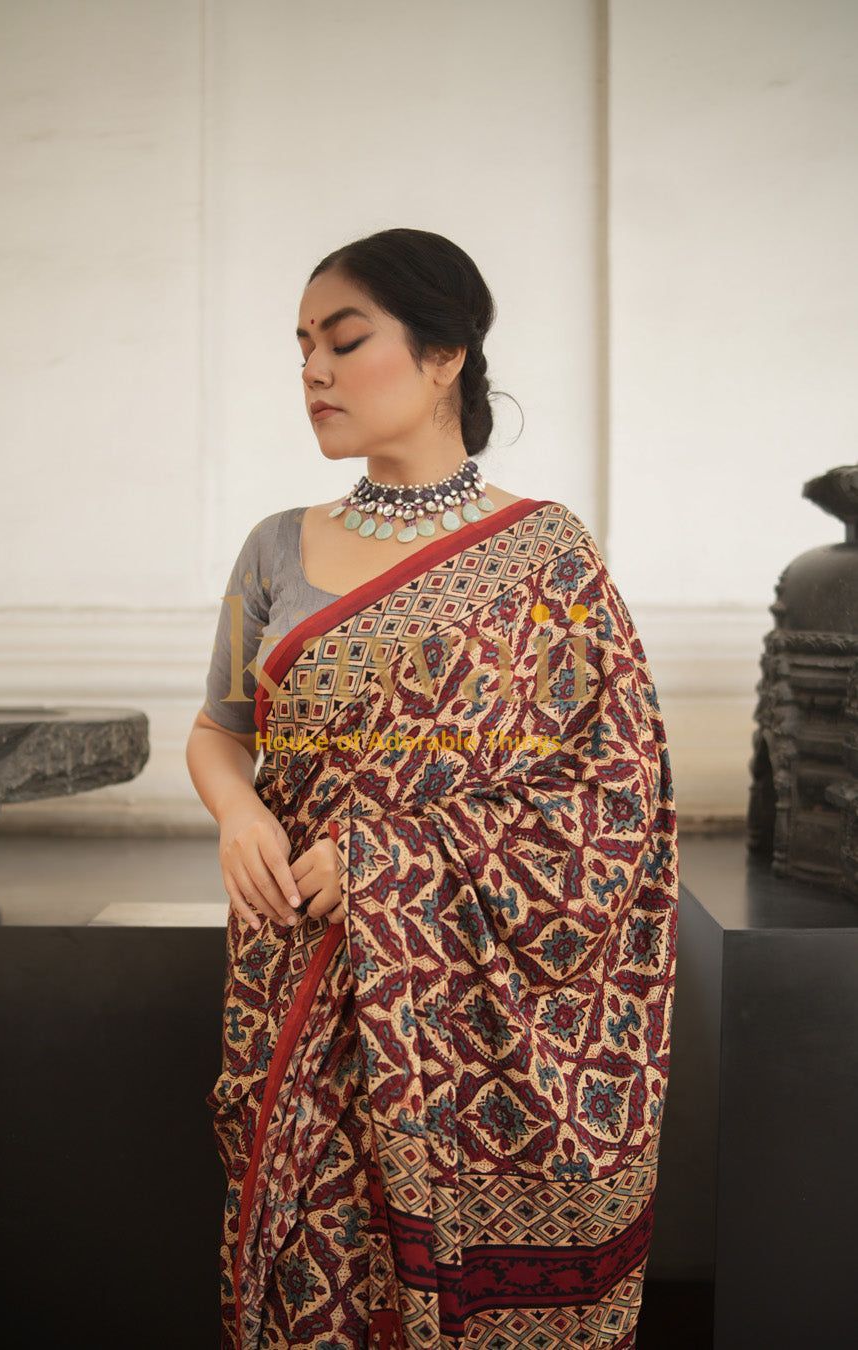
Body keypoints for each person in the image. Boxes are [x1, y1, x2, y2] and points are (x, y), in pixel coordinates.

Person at [186, 228, 678, 1350]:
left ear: (447, 352)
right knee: (309, 1250)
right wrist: (241, 810)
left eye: (344, 341)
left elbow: (613, 799)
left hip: (475, 996)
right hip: (294, 966)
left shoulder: (548, 558)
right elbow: (219, 732)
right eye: (301, 345)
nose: (312, 371)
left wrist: (384, 861)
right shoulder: (276, 547)